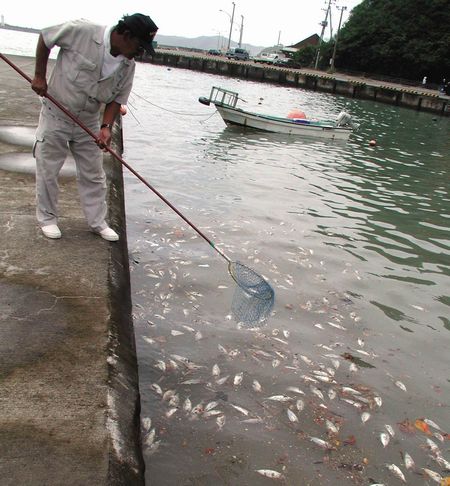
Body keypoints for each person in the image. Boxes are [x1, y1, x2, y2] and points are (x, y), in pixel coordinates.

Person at [31, 13, 158, 240]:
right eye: (140, 46)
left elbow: (117, 98)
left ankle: (97, 222)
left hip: (88, 120)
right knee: (48, 169)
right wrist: (39, 76)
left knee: (94, 175)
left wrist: (106, 126)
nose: (140, 53)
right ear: (126, 35)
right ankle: (48, 219)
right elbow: (45, 38)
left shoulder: (128, 65)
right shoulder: (83, 31)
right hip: (56, 113)